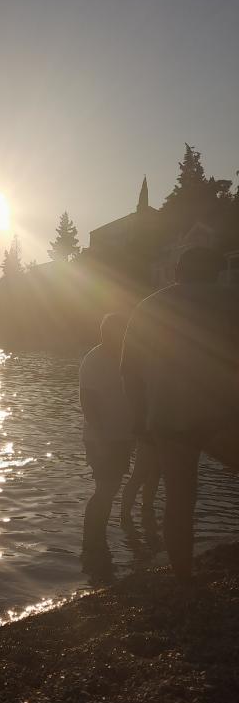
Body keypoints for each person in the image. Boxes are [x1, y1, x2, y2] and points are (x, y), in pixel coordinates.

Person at [121, 246, 239, 579]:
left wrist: (139, 419)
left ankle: (184, 579)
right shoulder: (231, 301)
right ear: (216, 271)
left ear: (177, 271)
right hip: (222, 414)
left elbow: (129, 371)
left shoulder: (148, 307)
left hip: (167, 416)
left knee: (179, 498)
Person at [79, 313, 135, 570]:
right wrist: (101, 437)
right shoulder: (93, 360)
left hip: (122, 436)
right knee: (105, 488)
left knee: (110, 489)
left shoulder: (125, 356)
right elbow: (87, 401)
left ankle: (97, 541)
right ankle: (91, 544)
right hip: (102, 437)